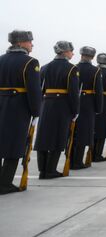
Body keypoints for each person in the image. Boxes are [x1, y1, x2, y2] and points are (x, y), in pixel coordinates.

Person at [0, 30, 41, 194]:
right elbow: (34, 90)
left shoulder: (1, 60)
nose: (32, 44)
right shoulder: (30, 62)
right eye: (30, 41)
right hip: (18, 107)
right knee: (14, 145)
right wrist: (36, 112)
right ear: (22, 43)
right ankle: (5, 183)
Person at [34, 41, 80, 179]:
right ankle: (51, 170)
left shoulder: (45, 67)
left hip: (46, 104)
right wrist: (75, 111)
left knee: (43, 137)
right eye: (71, 51)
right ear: (65, 52)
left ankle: (42, 170)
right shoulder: (72, 69)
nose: (72, 53)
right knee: (58, 137)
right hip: (63, 106)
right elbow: (73, 93)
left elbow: (39, 89)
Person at [71, 46, 103, 169]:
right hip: (88, 104)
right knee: (84, 133)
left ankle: (71, 158)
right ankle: (78, 161)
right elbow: (98, 92)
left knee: (73, 133)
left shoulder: (73, 68)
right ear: (93, 57)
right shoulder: (95, 71)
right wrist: (98, 108)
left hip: (73, 103)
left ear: (81, 54)